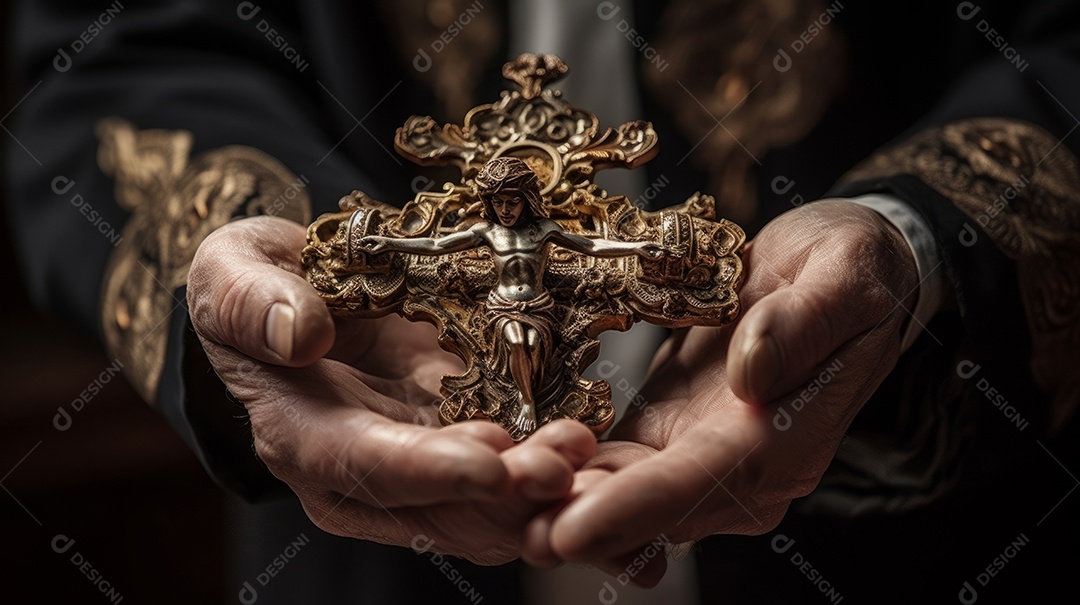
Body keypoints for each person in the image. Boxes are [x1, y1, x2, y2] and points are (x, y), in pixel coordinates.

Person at [4, 1, 1078, 603]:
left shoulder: (573, 235)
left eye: (524, 198)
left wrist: (917, 239)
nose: (514, 208)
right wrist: (260, 253)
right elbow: (114, 51)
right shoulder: (479, 231)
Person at [359, 156, 662, 437]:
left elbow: (592, 247)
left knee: (532, 344)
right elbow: (438, 245)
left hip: (540, 306)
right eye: (499, 202)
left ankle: (530, 394)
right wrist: (389, 243)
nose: (505, 210)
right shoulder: (488, 232)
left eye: (512, 202)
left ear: (527, 200)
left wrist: (635, 248)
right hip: (502, 305)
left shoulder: (544, 230)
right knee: (518, 341)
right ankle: (527, 403)